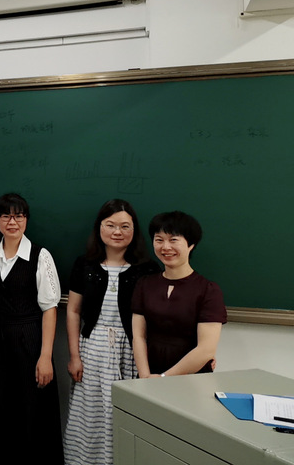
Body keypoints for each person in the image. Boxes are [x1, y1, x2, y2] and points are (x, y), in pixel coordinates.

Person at [63, 199, 160, 465]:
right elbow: (73, 311)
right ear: (100, 227)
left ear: (134, 230)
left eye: (125, 226)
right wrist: (74, 356)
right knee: (90, 416)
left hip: (132, 351)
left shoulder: (148, 269)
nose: (117, 232)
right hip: (92, 351)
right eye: (111, 225)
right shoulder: (84, 265)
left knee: (125, 415)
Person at [0, 193, 63, 465]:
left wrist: (46, 356)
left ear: (26, 220)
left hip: (30, 343)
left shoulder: (40, 255)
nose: (12, 222)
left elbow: (50, 308)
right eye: (6, 215)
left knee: (31, 411)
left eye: (18, 216)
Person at [132, 211, 226, 378]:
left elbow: (206, 349)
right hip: (149, 375)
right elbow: (138, 336)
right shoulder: (144, 284)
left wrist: (163, 378)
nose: (165, 247)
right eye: (159, 240)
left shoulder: (208, 290)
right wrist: (145, 376)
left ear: (191, 244)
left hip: (191, 378)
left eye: (173, 240)